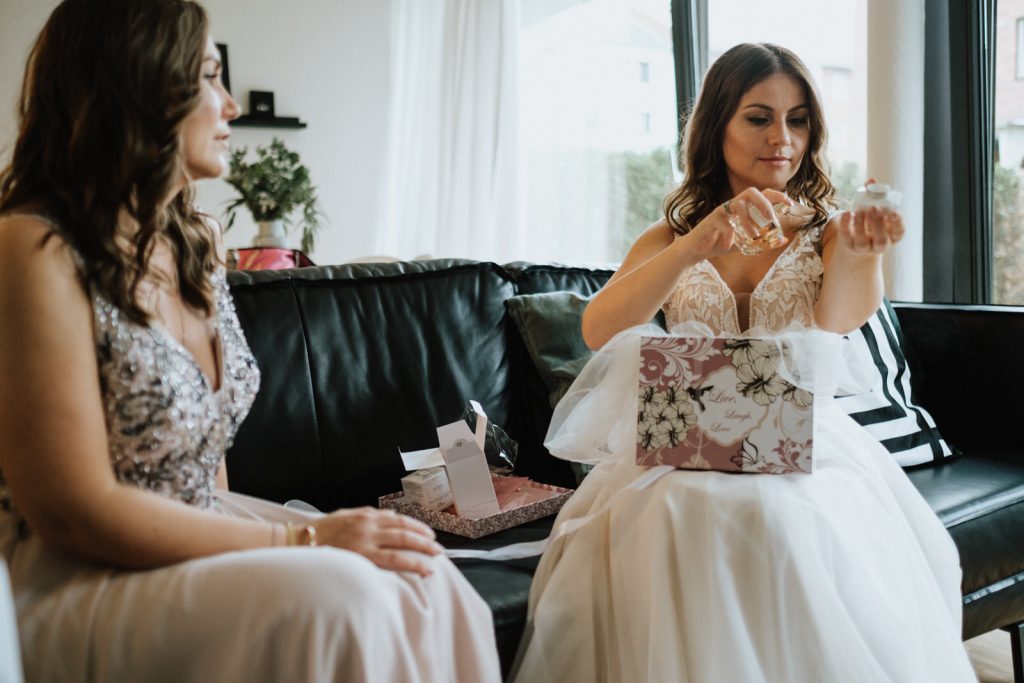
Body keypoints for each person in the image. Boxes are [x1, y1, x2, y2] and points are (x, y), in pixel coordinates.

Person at [0, 1, 501, 681]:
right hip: (74, 572)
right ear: (142, 84)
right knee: (342, 596)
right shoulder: (33, 247)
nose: (230, 104)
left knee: (425, 573)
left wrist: (270, 546)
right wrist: (304, 537)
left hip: (203, 528)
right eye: (210, 75)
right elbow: (74, 510)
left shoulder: (195, 243)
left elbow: (209, 460)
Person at [510, 43, 976, 682]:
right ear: (717, 126)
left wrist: (865, 254)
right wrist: (699, 239)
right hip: (688, 444)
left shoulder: (827, 230)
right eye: (758, 117)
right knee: (677, 508)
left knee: (780, 515)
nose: (781, 138)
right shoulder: (668, 237)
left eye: (798, 119)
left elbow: (841, 319)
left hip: (802, 439)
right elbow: (598, 329)